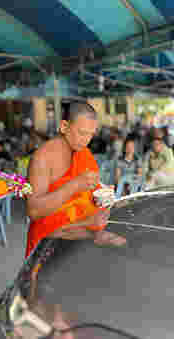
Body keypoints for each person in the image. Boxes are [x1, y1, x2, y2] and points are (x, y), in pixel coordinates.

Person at [26, 101, 126, 258]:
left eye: (90, 135)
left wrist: (103, 195)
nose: (86, 140)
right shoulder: (43, 158)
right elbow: (34, 211)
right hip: (49, 243)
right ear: (64, 127)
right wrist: (74, 185)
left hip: (79, 235)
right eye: (82, 133)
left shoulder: (83, 153)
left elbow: (87, 194)